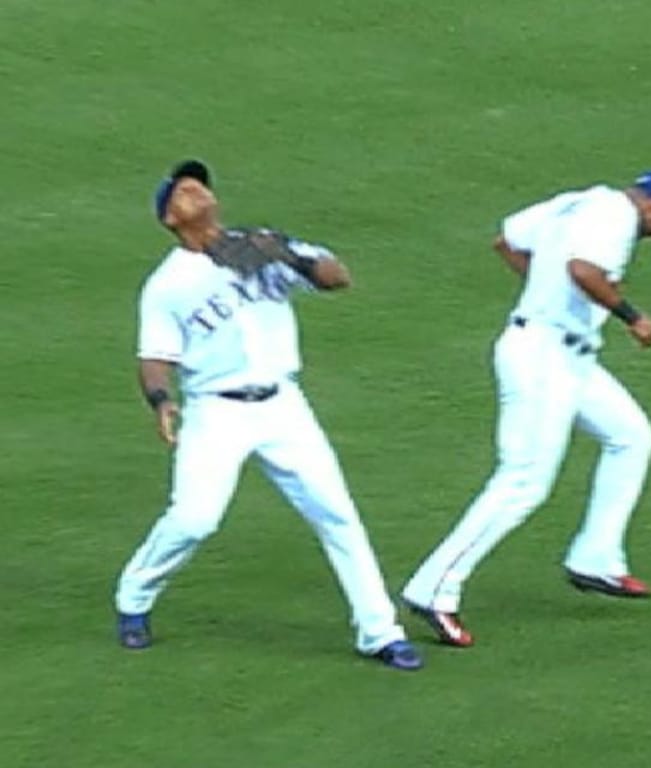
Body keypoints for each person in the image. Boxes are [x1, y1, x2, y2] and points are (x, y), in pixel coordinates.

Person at [115, 159, 422, 671]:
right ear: (170, 218)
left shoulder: (257, 245)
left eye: (201, 185)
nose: (198, 191)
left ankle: (380, 633)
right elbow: (154, 357)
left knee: (337, 514)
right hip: (217, 412)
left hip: (284, 406)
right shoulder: (167, 285)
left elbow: (336, 279)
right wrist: (161, 401)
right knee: (194, 519)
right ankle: (134, 596)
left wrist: (287, 253)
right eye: (184, 190)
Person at [401, 169, 651, 647]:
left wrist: (544, 289)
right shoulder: (616, 216)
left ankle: (596, 558)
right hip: (543, 358)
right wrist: (633, 318)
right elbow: (583, 271)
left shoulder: (580, 202)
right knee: (523, 482)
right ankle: (434, 589)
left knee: (631, 436)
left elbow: (507, 240)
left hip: (569, 357)